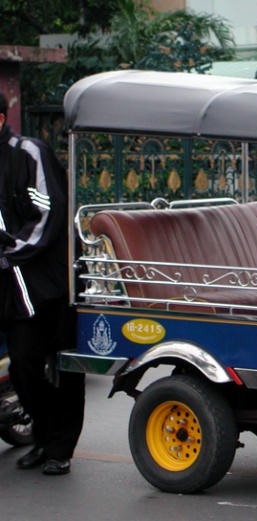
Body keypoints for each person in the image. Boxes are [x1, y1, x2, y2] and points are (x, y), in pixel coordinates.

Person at [0, 92, 85, 475]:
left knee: (60, 366)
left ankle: (59, 447)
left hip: (50, 281)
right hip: (12, 283)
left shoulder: (29, 153)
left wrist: (11, 251)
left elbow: (46, 212)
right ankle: (42, 435)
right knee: (21, 367)